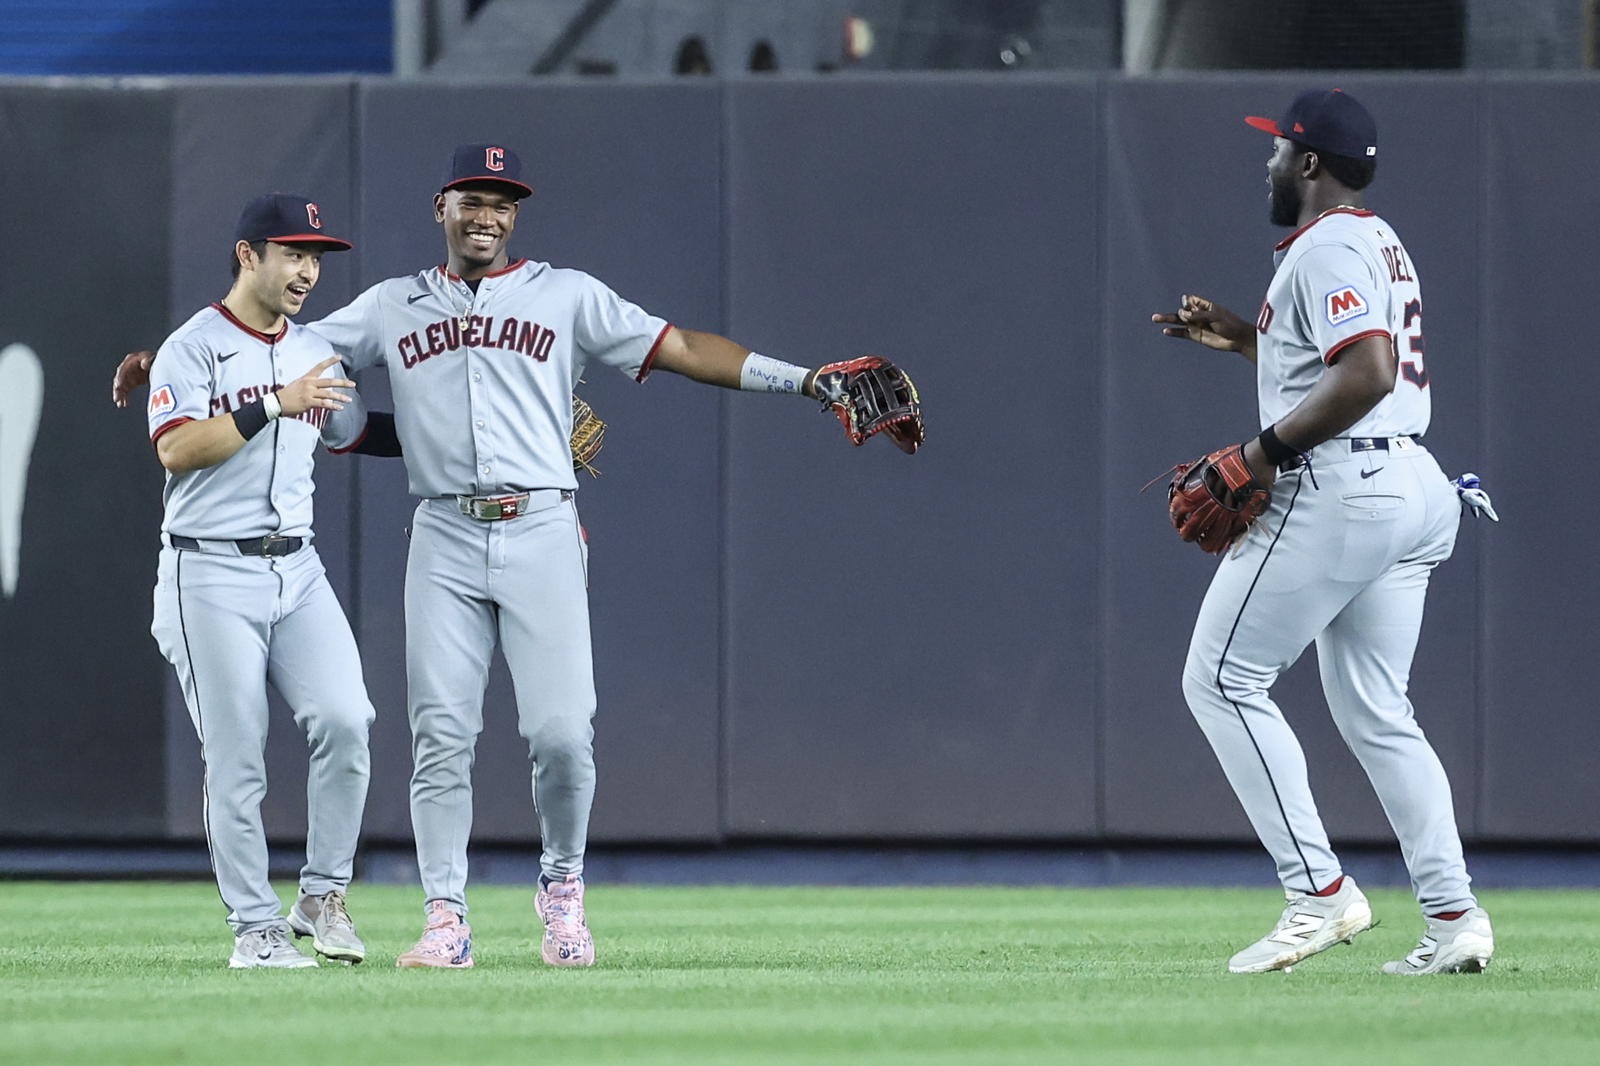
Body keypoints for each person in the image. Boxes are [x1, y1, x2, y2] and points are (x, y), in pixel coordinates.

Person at [124, 144, 918, 969]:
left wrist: (807, 381)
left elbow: (679, 347)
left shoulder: (566, 295)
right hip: (440, 533)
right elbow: (264, 343)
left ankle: (562, 889)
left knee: (563, 734)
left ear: (516, 217)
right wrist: (161, 367)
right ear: (442, 206)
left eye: (503, 203)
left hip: (540, 524)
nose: (487, 215)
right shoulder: (391, 306)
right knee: (439, 736)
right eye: (472, 198)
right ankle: (443, 917)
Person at [1150, 89, 1494, 976]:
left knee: (1221, 679)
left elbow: (1370, 371)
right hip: (1414, 485)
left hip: (1347, 482)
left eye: (1278, 151)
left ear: (1308, 164)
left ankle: (1321, 895)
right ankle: (1454, 918)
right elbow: (1344, 364)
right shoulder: (1374, 238)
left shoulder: (1329, 243)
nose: (1268, 164)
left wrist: (1261, 452)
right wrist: (1243, 343)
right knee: (1378, 712)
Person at [145, 194, 396, 968]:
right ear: (248, 255)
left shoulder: (313, 348)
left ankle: (321, 895)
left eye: (316, 257)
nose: (308, 270)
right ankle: (253, 929)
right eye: (293, 253)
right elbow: (177, 450)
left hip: (298, 567)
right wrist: (272, 403)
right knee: (237, 758)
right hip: (207, 570)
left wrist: (504, 448)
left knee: (348, 719)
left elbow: (361, 435)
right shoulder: (191, 346)